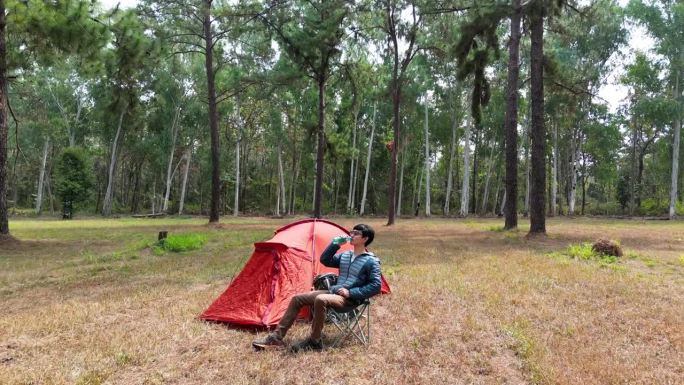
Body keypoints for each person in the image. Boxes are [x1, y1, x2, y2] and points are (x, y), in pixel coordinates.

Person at [252, 223, 381, 352]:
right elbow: (325, 260)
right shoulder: (345, 255)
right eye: (351, 232)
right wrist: (334, 244)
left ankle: (315, 341)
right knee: (297, 298)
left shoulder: (371, 261)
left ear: (365, 239)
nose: (351, 235)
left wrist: (351, 292)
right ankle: (276, 338)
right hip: (334, 292)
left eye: (356, 233)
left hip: (350, 299)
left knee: (321, 299)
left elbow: (376, 286)